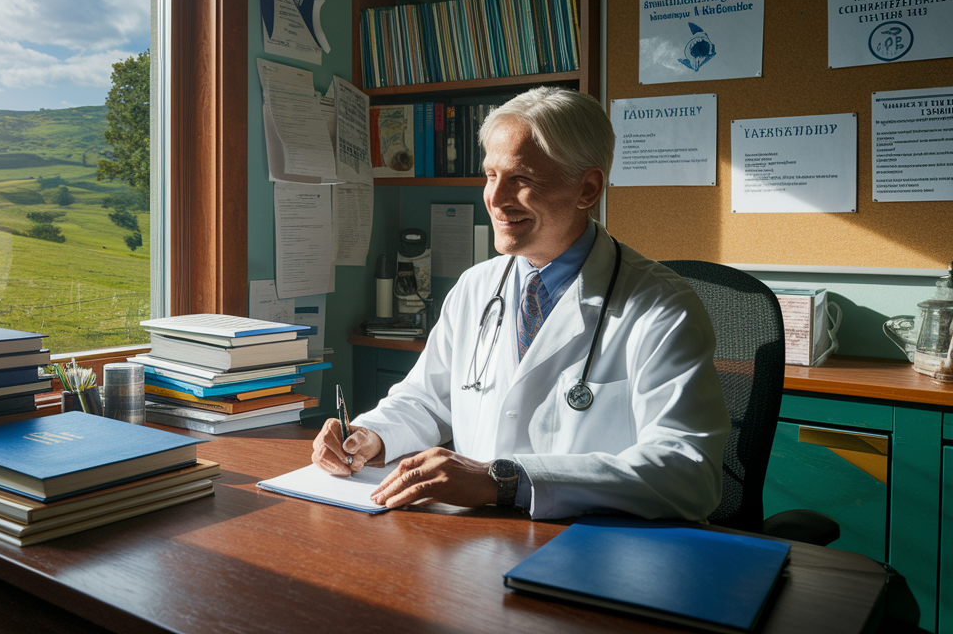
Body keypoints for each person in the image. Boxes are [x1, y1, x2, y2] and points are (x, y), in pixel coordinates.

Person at [312, 87, 730, 520]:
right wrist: (369, 434)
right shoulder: (476, 287)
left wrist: (505, 481)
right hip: (475, 542)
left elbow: (689, 471)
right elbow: (426, 400)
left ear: (587, 188)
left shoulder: (661, 308)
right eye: (491, 175)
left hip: (594, 545)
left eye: (521, 179)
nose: (495, 198)